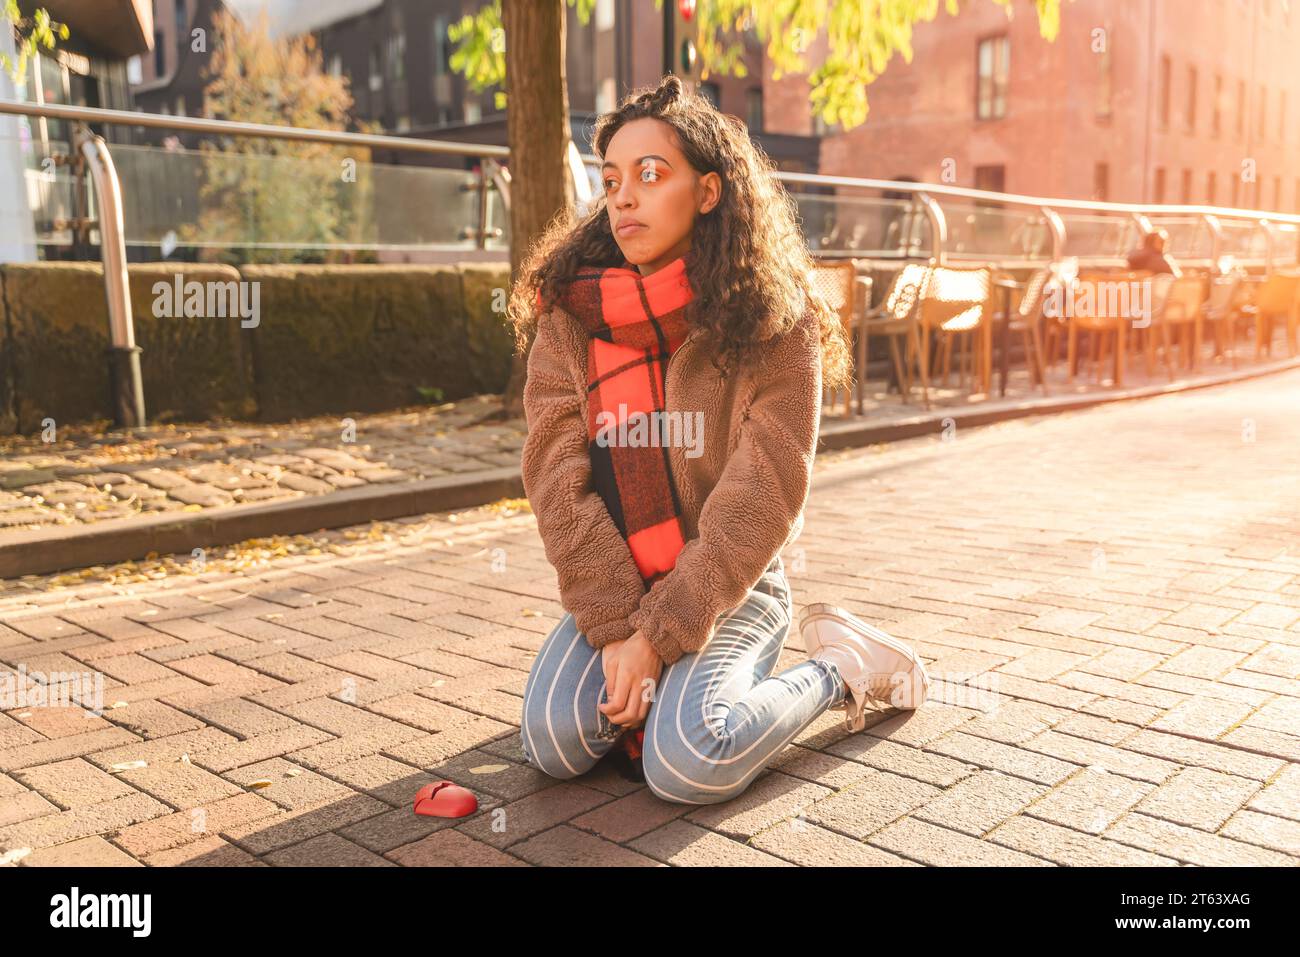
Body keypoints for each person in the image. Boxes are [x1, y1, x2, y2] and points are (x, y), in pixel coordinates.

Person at [505, 75, 930, 806]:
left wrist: (661, 635)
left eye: (650, 173)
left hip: (734, 584)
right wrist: (615, 627)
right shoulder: (569, 314)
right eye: (612, 179)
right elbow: (553, 475)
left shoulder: (774, 321)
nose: (624, 196)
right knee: (552, 741)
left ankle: (839, 669)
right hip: (620, 578)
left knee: (688, 762)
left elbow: (765, 495)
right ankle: (656, 690)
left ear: (707, 192)